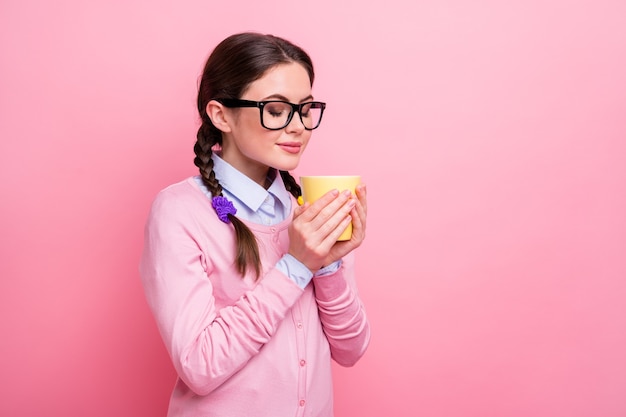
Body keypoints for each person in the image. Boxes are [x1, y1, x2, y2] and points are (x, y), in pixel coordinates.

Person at [140, 32, 370, 417]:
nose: (298, 126)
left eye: (306, 109)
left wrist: (328, 263)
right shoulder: (179, 211)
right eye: (277, 110)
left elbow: (350, 350)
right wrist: (296, 266)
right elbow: (199, 365)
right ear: (220, 115)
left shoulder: (306, 212)